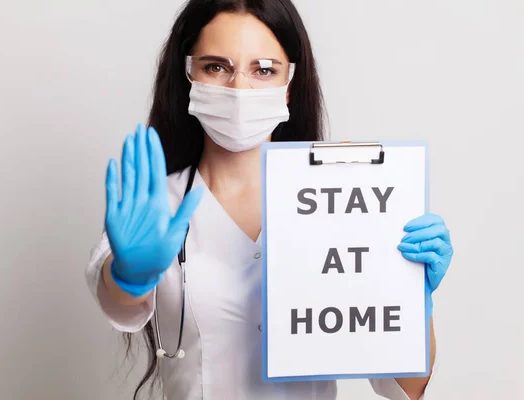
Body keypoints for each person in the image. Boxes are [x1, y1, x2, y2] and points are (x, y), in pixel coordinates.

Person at [85, 0, 454, 399]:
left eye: (263, 70)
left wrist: (414, 298)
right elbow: (119, 306)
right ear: (189, 75)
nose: (240, 88)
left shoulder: (351, 200)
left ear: (290, 83)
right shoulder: (155, 207)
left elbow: (405, 387)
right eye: (217, 67)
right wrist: (131, 275)